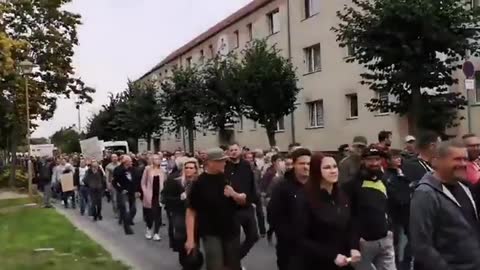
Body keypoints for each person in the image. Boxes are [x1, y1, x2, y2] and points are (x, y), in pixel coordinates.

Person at [410, 140, 480, 270]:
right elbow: (421, 245)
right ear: (436, 161)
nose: (463, 164)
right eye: (457, 159)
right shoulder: (425, 194)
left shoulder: (463, 187)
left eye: (465, 159)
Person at [294, 153, 361, 270]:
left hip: (345, 261)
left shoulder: (342, 195)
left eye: (335, 167)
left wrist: (354, 247)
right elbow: (300, 238)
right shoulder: (304, 198)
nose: (333, 171)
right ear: (316, 171)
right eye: (327, 168)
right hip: (317, 263)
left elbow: (351, 224)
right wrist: (332, 256)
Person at [185, 147, 246, 270]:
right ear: (211, 163)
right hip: (210, 231)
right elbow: (191, 211)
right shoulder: (199, 183)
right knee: (215, 265)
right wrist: (190, 239)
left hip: (231, 229)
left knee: (233, 265)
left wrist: (235, 195)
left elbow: (243, 200)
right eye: (221, 161)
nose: (225, 163)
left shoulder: (228, 178)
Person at [342, 146, 395, 270]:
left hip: (385, 239)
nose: (374, 163)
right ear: (363, 161)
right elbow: (349, 216)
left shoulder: (384, 179)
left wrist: (391, 229)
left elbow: (389, 206)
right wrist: (354, 244)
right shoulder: (351, 185)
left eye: (377, 159)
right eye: (370, 160)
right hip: (363, 243)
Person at [267, 148, 311, 270]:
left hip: (313, 248)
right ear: (294, 165)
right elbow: (273, 215)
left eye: (309, 164)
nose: (306, 167)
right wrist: (290, 236)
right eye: (302, 163)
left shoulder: (317, 186)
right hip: (290, 248)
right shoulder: (282, 187)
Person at [225, 143, 261, 261]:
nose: (234, 152)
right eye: (231, 150)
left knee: (253, 236)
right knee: (233, 239)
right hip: (231, 208)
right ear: (228, 152)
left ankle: (234, 259)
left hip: (247, 206)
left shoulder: (246, 165)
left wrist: (254, 200)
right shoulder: (225, 166)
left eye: (235, 149)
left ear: (240, 151)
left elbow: (252, 184)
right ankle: (233, 264)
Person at [162, 158, 200, 268]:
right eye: (186, 168)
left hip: (195, 215)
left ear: (196, 170)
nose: (188, 170)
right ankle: (184, 261)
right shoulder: (175, 181)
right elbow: (165, 197)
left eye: (191, 168)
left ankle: (194, 261)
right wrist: (180, 198)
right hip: (179, 214)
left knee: (195, 238)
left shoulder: (199, 182)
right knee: (181, 238)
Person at [384, 150, 412, 270]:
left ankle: (405, 263)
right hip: (395, 214)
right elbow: (394, 195)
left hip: (407, 212)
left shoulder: (401, 173)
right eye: (395, 157)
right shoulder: (387, 176)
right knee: (397, 242)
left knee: (409, 241)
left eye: (399, 157)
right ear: (388, 161)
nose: (399, 159)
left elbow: (408, 186)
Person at [141, 154, 166, 241]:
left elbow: (164, 182)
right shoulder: (147, 169)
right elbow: (143, 182)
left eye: (159, 159)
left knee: (158, 214)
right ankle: (149, 229)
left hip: (158, 195)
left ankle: (156, 233)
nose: (157, 160)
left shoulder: (162, 170)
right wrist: (145, 192)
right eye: (155, 159)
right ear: (152, 160)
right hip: (149, 195)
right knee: (149, 214)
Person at [112, 155, 139, 235]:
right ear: (125, 162)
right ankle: (127, 228)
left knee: (133, 209)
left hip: (132, 192)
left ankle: (126, 219)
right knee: (125, 210)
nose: (131, 162)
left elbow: (136, 181)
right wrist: (120, 189)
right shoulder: (118, 170)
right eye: (130, 161)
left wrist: (137, 190)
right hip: (123, 193)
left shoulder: (133, 169)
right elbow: (114, 182)